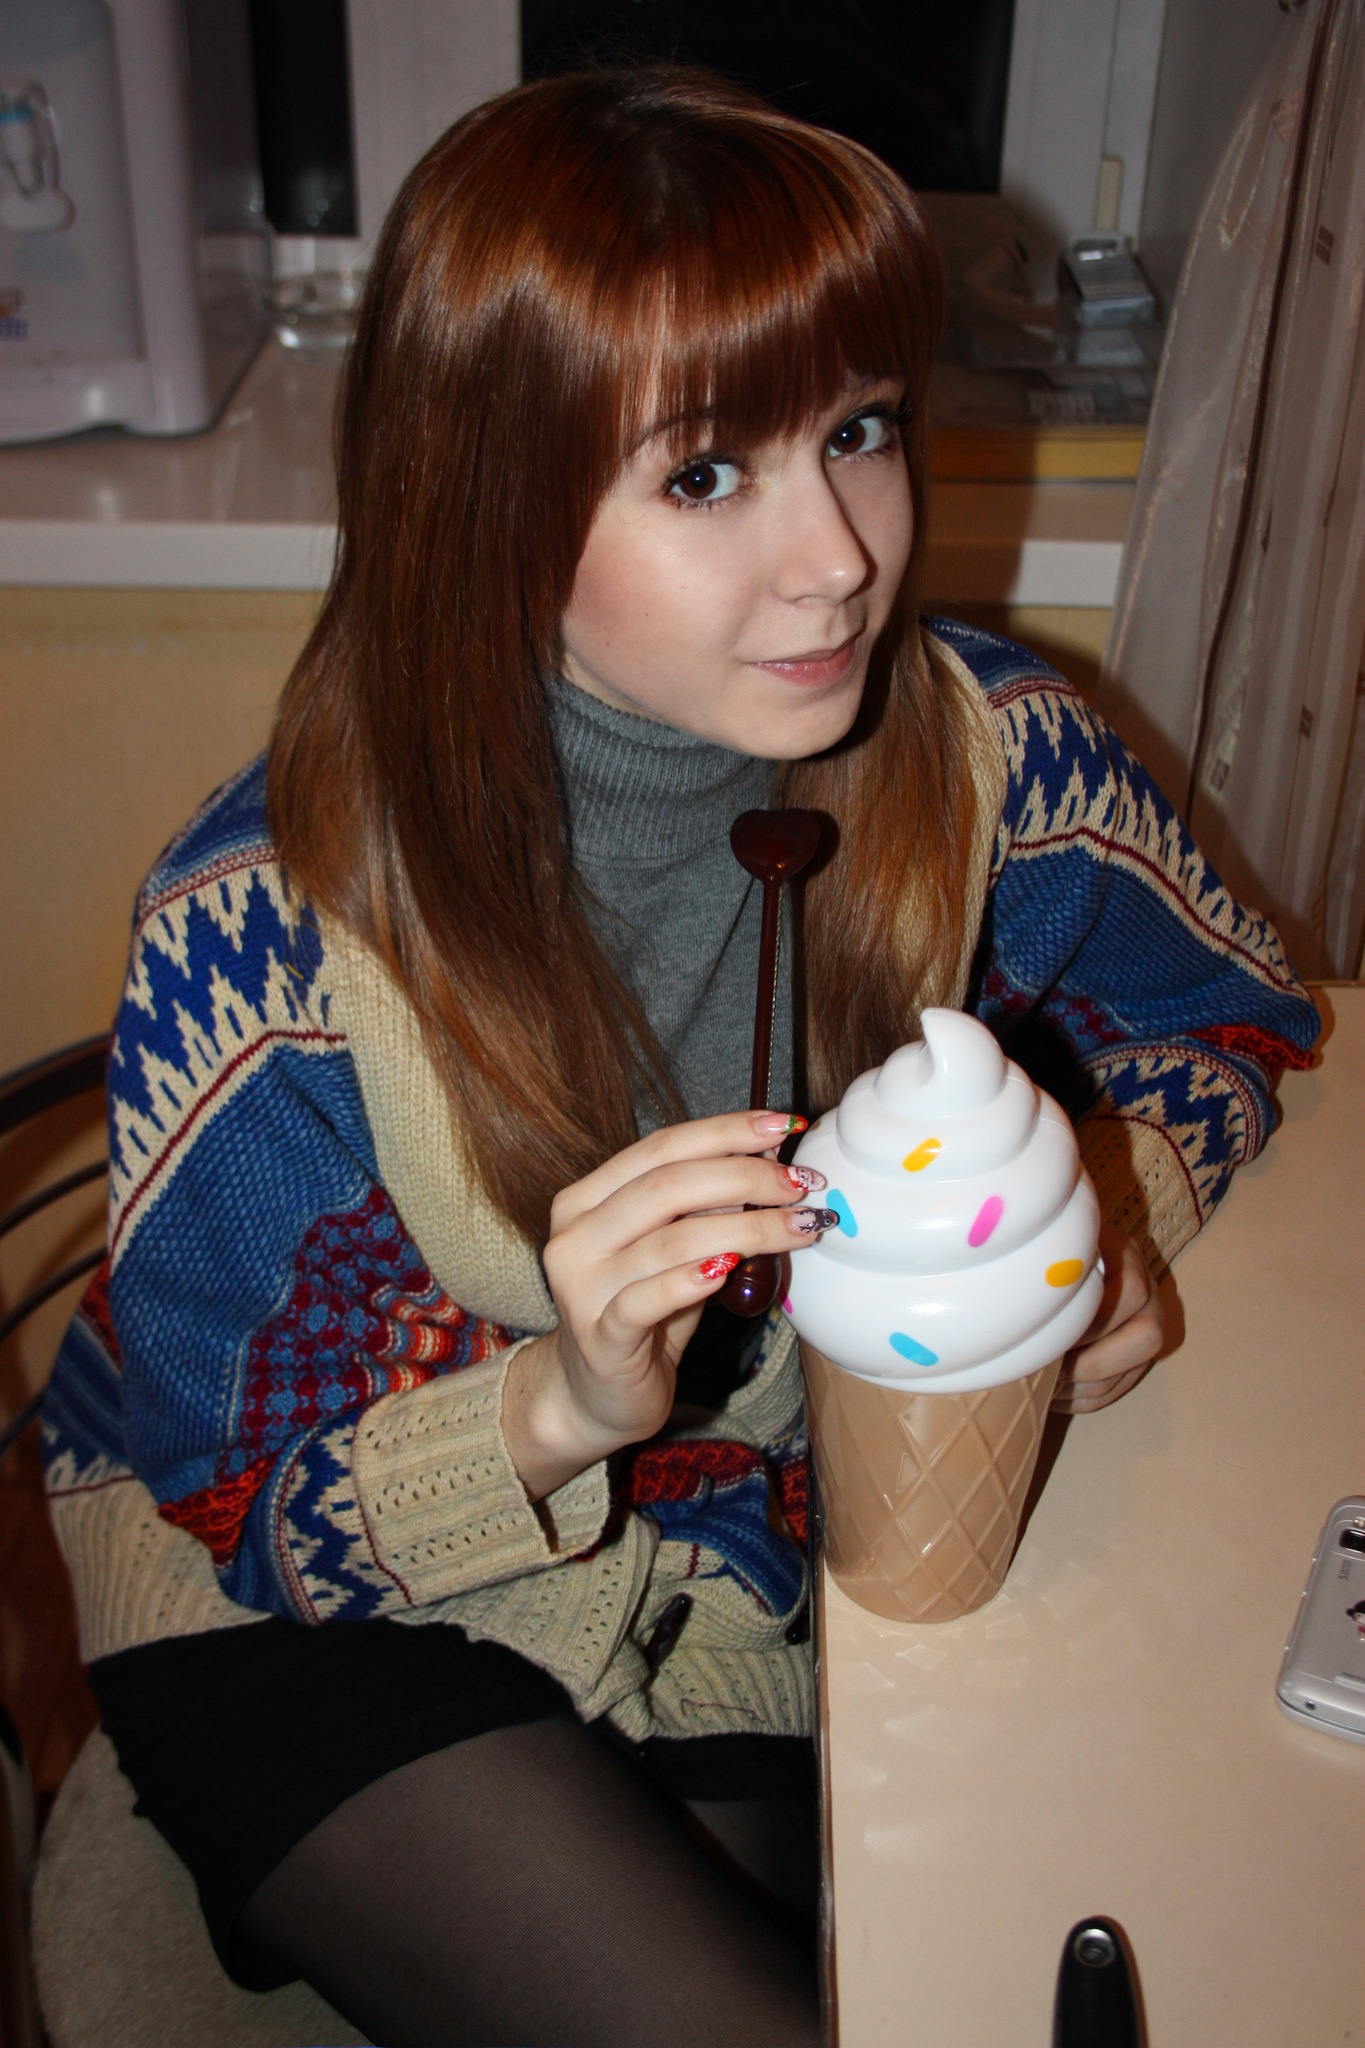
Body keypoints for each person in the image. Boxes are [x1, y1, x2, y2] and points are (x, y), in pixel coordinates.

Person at [44, 65, 1319, 2048]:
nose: (837, 558)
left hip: (741, 1561)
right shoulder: (269, 930)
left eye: (858, 431)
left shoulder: (991, 759)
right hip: (318, 1601)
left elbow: (1223, 1008)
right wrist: (559, 1398)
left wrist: (1086, 1222)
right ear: (486, 501)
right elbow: (239, 1490)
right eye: (706, 476)